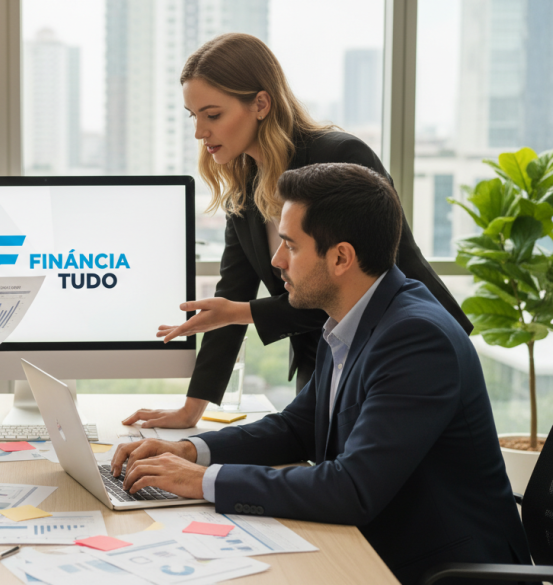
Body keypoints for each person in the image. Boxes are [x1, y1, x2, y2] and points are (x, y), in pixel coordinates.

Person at [111, 164, 530, 585]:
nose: (276, 261)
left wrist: (204, 481)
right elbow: (297, 428)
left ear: (341, 257)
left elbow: (351, 489)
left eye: (290, 246)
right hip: (374, 547)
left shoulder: (415, 338)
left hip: (436, 570)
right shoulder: (354, 317)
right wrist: (190, 451)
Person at [122, 33, 471, 429]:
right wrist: (191, 410)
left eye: (212, 115)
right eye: (193, 116)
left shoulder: (340, 157)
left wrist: (243, 313)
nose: (200, 132)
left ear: (260, 104)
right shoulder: (245, 183)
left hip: (404, 350)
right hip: (324, 357)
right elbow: (231, 294)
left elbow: (362, 284)